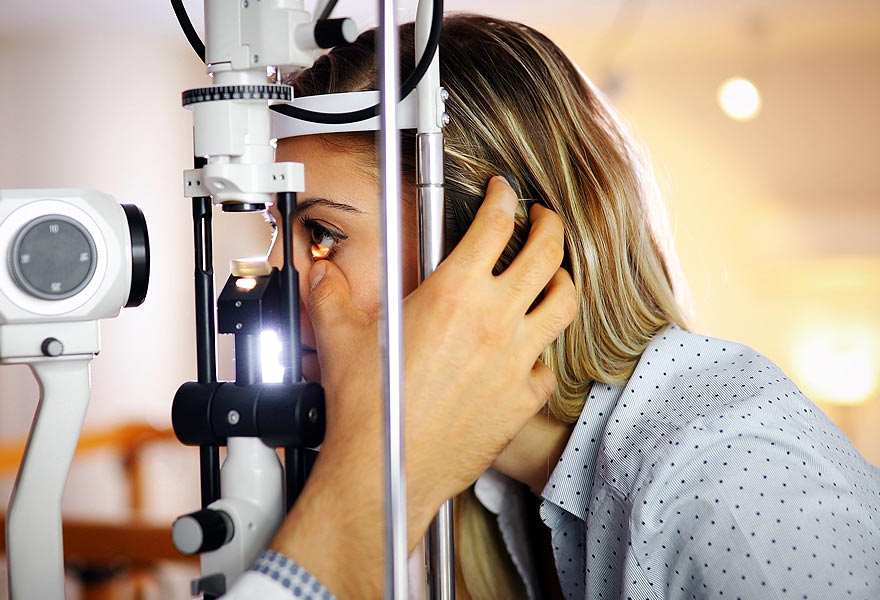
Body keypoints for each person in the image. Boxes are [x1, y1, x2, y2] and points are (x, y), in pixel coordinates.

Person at [226, 14, 880, 599]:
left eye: (323, 235)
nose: (277, 279)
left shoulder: (731, 488)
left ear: (495, 247)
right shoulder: (496, 493)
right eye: (277, 232)